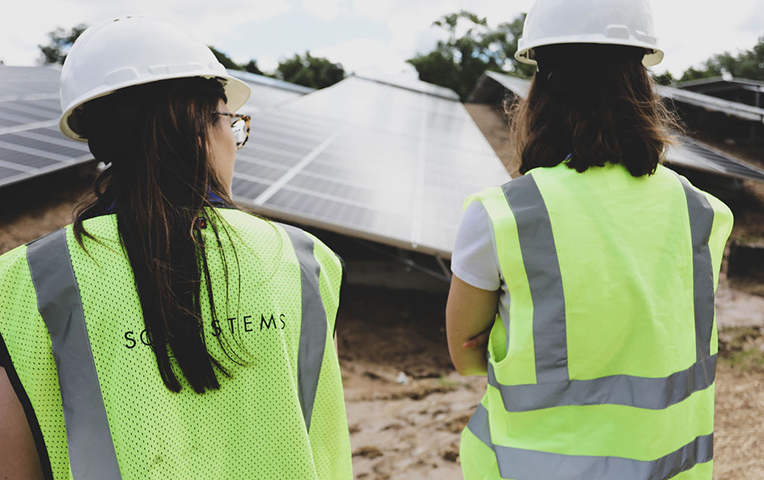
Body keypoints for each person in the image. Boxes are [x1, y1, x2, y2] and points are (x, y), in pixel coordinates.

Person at [0, 16, 352, 480]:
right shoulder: (308, 260)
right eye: (235, 123)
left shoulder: (23, 283)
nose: (237, 141)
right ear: (198, 125)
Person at [445, 1, 733, 479]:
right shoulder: (703, 212)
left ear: (541, 87)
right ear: (642, 82)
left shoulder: (504, 215)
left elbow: (466, 355)